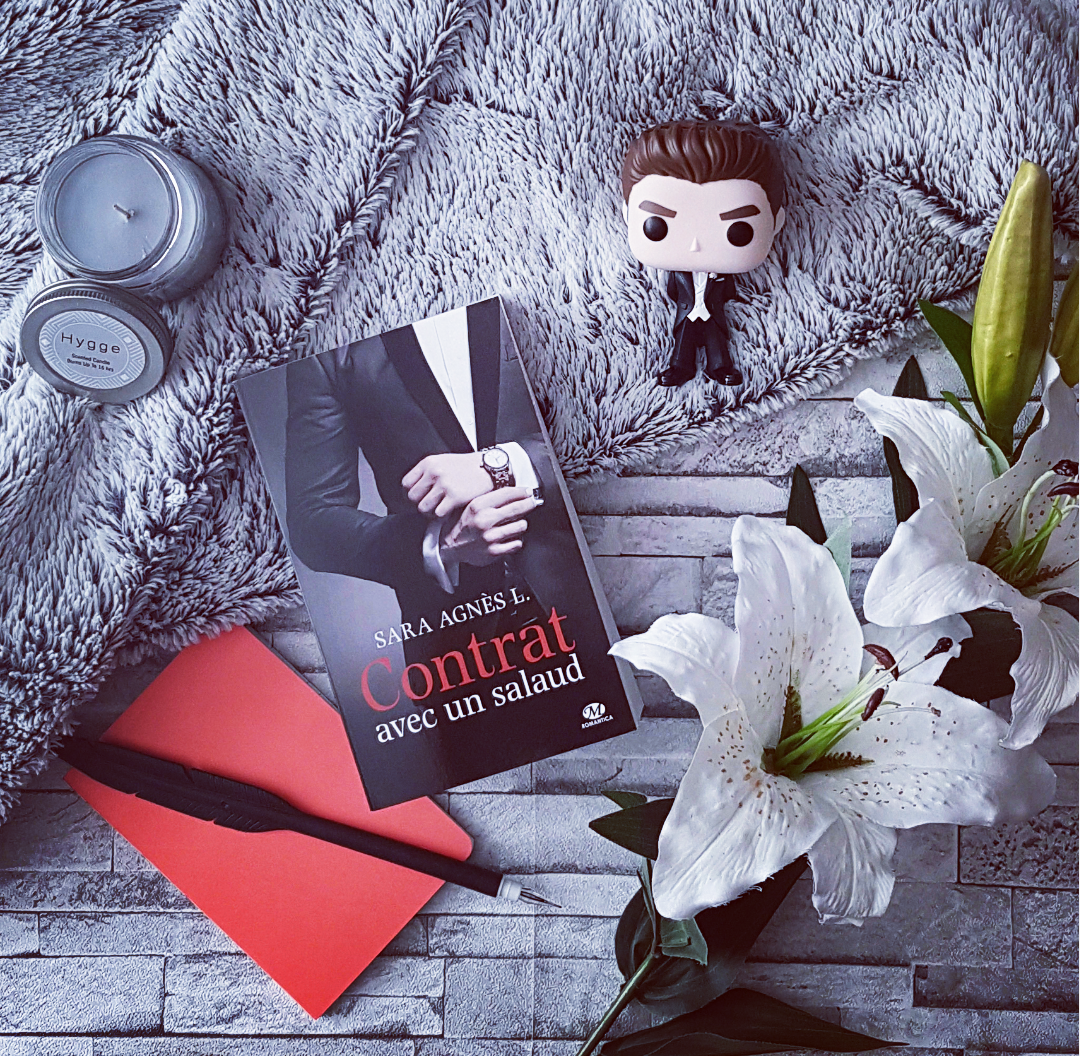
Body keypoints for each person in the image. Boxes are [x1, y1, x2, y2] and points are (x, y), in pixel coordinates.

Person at [283, 298, 570, 630]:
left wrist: (502, 467)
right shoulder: (324, 350)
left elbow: (608, 421)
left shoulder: (537, 295)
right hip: (448, 637)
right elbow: (311, 522)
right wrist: (439, 543)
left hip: (586, 591)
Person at [621, 120, 787, 387]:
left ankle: (720, 368)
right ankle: (680, 368)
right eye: (657, 226)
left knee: (716, 342)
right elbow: (674, 290)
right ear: (627, 215)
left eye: (738, 231)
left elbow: (728, 291)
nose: (695, 245)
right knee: (683, 343)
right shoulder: (677, 273)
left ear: (776, 222)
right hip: (687, 311)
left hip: (712, 313)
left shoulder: (722, 275)